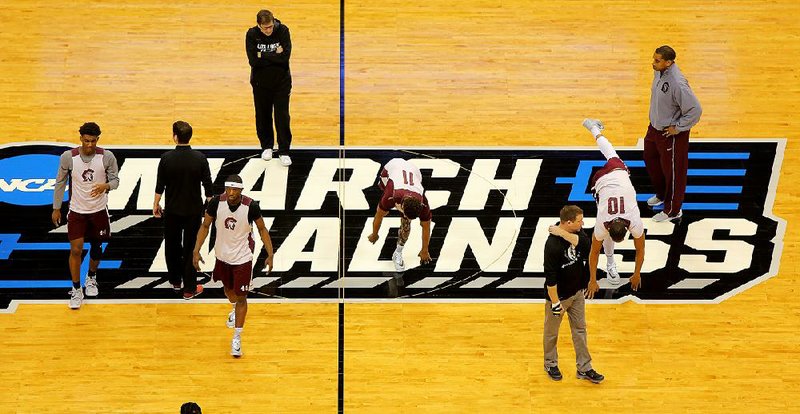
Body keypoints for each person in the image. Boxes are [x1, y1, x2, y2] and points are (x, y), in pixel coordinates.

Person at [193, 175, 274, 357]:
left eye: (234, 189)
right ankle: (234, 308)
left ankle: (237, 338)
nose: (230, 192)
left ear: (241, 190)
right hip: (222, 254)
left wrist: (270, 253)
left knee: (242, 297)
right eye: (228, 189)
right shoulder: (215, 203)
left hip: (243, 256)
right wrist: (196, 250)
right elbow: (205, 226)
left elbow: (262, 229)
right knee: (229, 292)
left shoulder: (250, 206)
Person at [52, 122, 120, 309]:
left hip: (98, 210)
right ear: (80, 138)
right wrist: (56, 207)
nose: (90, 144)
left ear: (98, 139)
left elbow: (115, 181)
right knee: (76, 249)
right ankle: (76, 289)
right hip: (77, 211)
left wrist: (105, 186)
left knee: (97, 246)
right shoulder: (68, 157)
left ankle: (91, 277)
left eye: (93, 141)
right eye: (86, 140)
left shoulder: (107, 157)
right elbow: (60, 182)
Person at [582, 118, 645, 295]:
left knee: (611, 154)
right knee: (611, 154)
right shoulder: (625, 222)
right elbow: (640, 249)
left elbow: (593, 253)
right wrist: (636, 274)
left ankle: (594, 128)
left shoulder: (612, 223)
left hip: (613, 178)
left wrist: (592, 280)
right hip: (604, 182)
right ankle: (610, 263)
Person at [543, 205, 604, 384]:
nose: (582, 223)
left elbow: (587, 247)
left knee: (580, 330)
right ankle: (550, 363)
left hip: (577, 293)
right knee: (551, 333)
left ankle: (584, 367)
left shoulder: (575, 232)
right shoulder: (552, 245)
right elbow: (550, 277)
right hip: (558, 297)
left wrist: (563, 233)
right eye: (579, 221)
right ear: (569, 222)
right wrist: (555, 302)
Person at [153, 121, 213, 299]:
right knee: (190, 248)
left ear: (175, 137)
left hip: (172, 211)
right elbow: (208, 187)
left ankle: (175, 281)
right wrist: (210, 206)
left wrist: (156, 204)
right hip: (193, 211)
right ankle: (189, 289)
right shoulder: (200, 158)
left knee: (172, 246)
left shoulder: (166, 158)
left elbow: (160, 185)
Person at [644, 45, 702, 222]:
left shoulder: (678, 83)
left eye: (657, 60)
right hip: (654, 128)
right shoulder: (659, 72)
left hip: (671, 134)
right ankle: (662, 194)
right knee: (651, 160)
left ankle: (673, 210)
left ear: (668, 62)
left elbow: (695, 110)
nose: (653, 63)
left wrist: (678, 127)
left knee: (674, 172)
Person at [366, 158, 432, 272]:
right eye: (406, 214)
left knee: (406, 223)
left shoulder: (423, 202)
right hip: (390, 169)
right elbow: (379, 214)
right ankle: (398, 247)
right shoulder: (390, 195)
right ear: (403, 206)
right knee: (383, 209)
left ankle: (398, 252)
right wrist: (374, 234)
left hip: (414, 170)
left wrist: (425, 250)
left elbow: (426, 225)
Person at [246, 9, 293, 167]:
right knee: (263, 116)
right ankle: (266, 146)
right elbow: (253, 61)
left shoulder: (283, 31)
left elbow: (285, 57)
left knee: (282, 117)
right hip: (260, 84)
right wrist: (274, 54)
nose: (269, 30)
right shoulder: (252, 35)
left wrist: (263, 54)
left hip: (281, 83)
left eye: (271, 26)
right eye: (265, 28)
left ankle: (284, 150)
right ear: (259, 25)